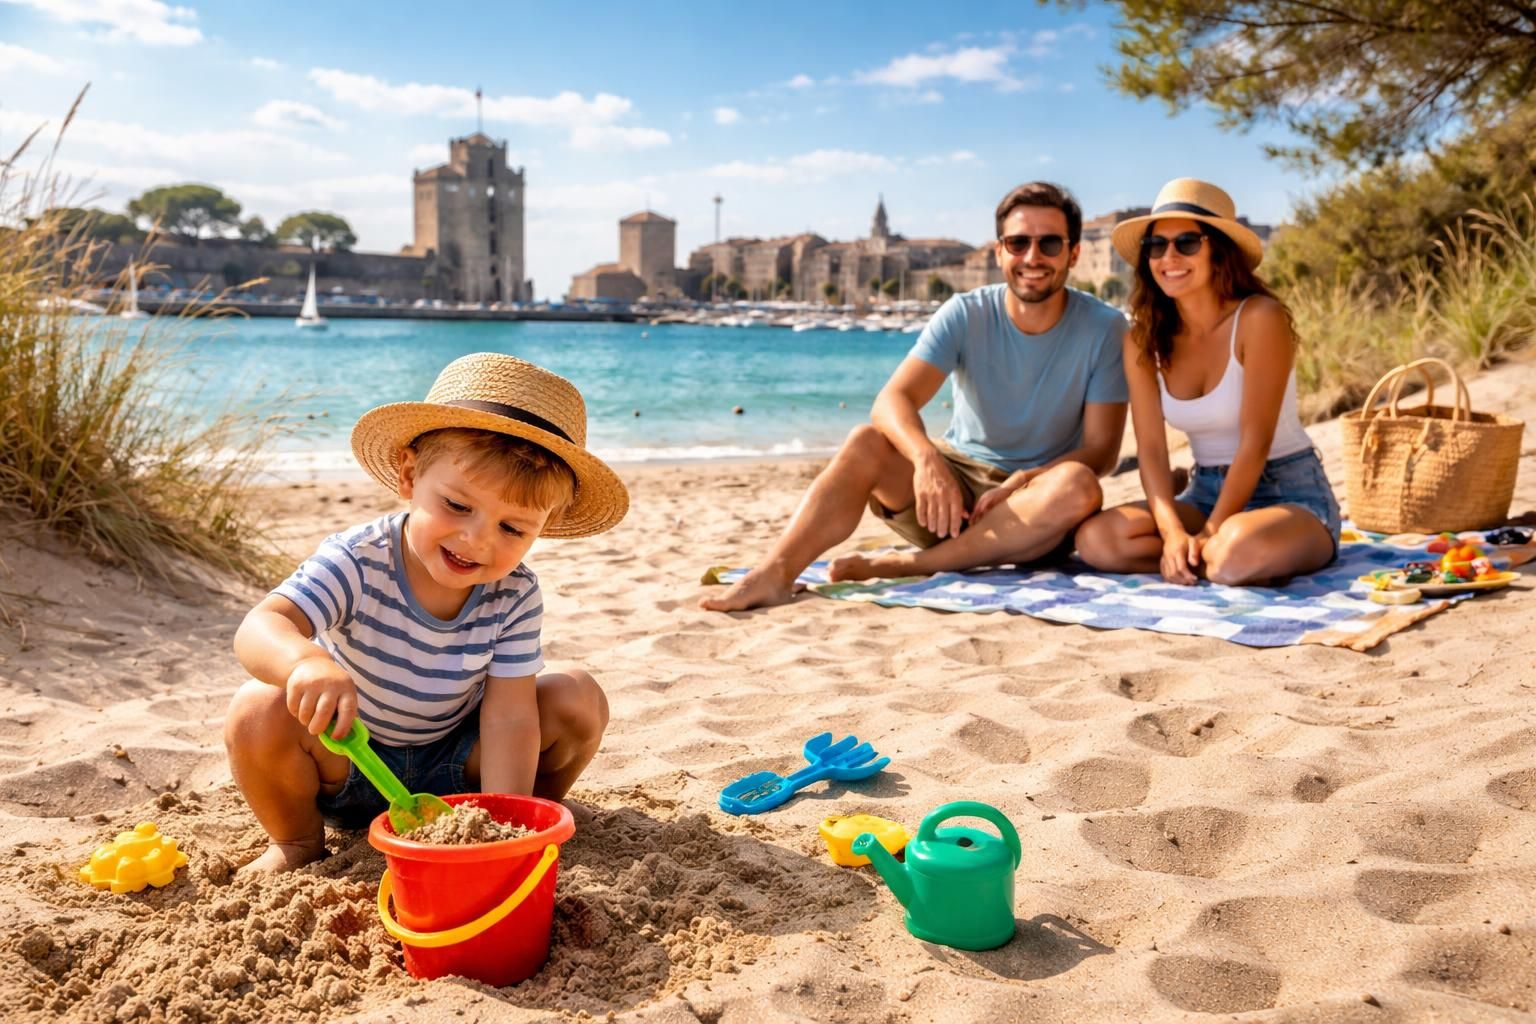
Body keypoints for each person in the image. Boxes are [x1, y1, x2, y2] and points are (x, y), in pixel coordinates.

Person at [225, 353, 628, 873]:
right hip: (350, 760)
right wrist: (303, 663)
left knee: (576, 695)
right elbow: (260, 627)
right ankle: (298, 844)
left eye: (513, 529)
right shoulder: (359, 560)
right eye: (458, 507)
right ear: (409, 475)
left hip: (459, 775)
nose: (476, 540)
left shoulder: (515, 593)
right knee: (258, 708)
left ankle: (528, 812)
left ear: (543, 527)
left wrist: (496, 826)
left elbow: (508, 716)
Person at [701, 182, 1129, 611]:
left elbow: (1102, 451)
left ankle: (914, 564)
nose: (1032, 257)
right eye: (1018, 243)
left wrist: (1023, 479)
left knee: (1078, 484)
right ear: (1000, 252)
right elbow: (892, 400)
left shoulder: (1104, 328)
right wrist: (926, 459)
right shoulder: (965, 312)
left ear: (1073, 254)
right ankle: (775, 573)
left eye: (1049, 243)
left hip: (1039, 509)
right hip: (953, 500)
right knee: (865, 441)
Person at [1075, 178, 1340, 585]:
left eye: (1187, 242)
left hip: (1289, 492)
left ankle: (1211, 554)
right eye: (1156, 246)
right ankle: (1194, 558)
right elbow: (1150, 451)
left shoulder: (1259, 319)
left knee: (1230, 553)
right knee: (1098, 540)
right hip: (1203, 492)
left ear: (1219, 249)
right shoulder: (1143, 339)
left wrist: (1212, 532)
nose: (1169, 257)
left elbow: (1256, 442)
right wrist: (1173, 534)